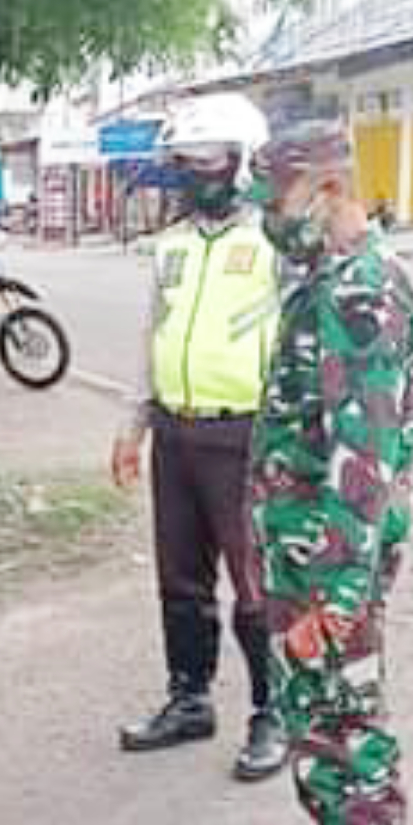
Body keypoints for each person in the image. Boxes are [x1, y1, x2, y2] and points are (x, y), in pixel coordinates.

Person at [242, 118, 413, 825]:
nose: (265, 219)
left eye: (274, 198)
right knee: (316, 721)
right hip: (300, 554)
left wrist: (338, 596)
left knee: (347, 727)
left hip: (328, 563)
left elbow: (365, 457)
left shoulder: (362, 292)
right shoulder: (323, 280)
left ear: (323, 188)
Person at [109, 91, 289, 783]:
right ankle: (190, 698)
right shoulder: (173, 244)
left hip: (248, 436)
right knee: (180, 577)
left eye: (207, 161)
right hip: (175, 434)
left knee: (254, 584)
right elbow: (150, 337)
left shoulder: (274, 240)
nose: (194, 174)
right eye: (184, 162)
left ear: (242, 163)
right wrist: (133, 424)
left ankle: (272, 714)